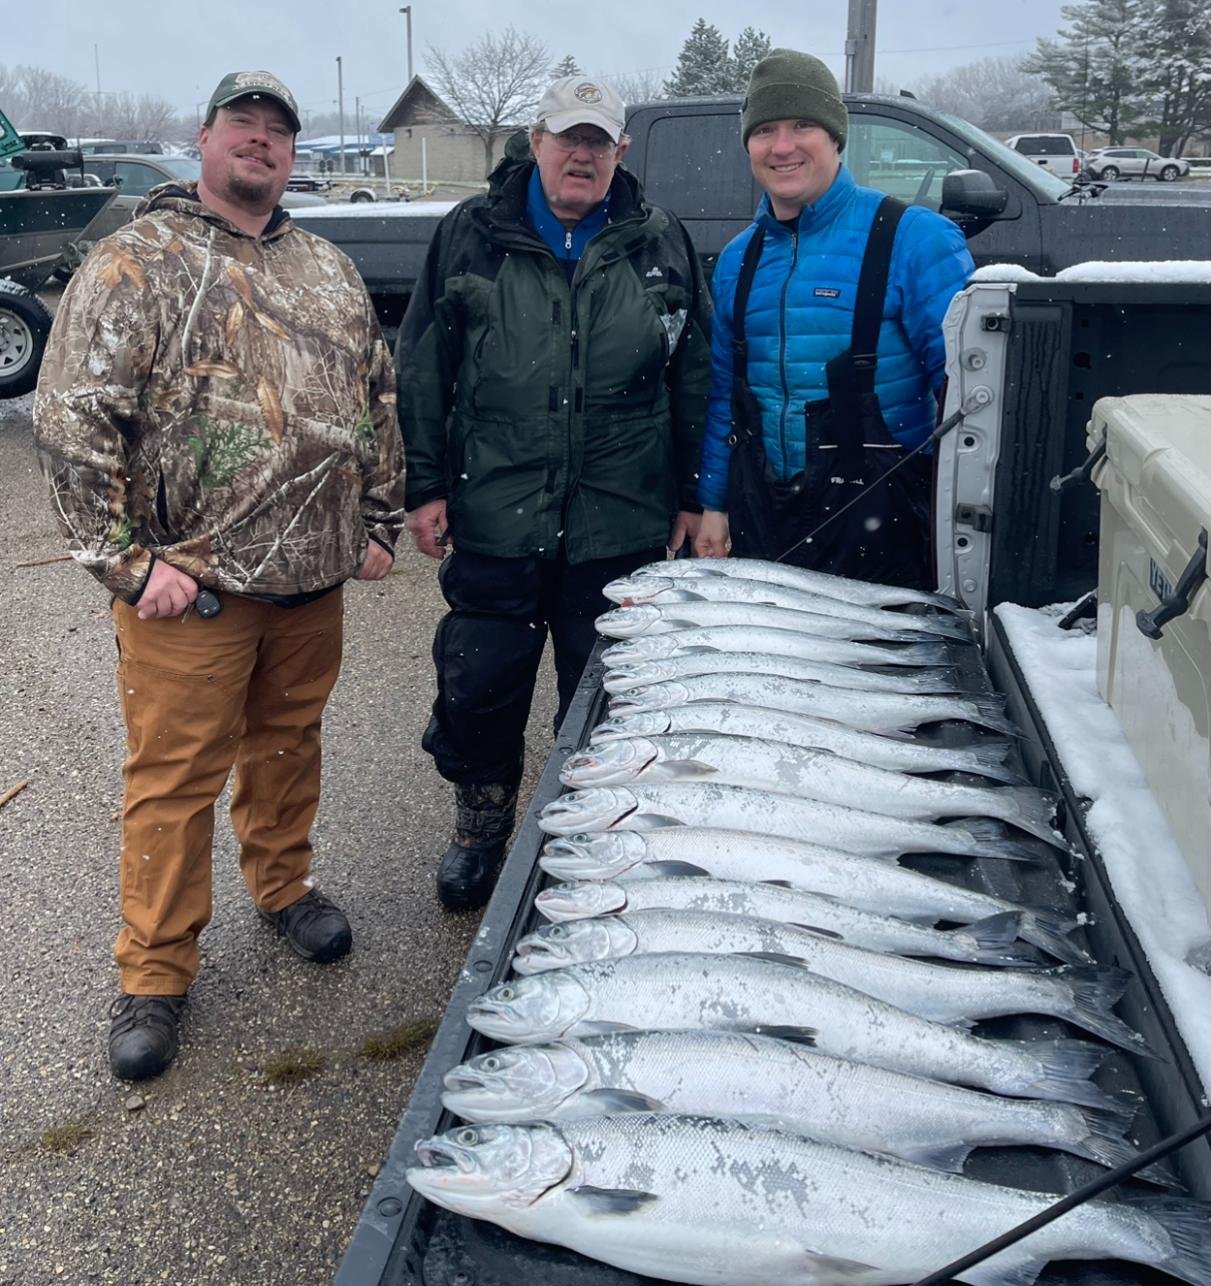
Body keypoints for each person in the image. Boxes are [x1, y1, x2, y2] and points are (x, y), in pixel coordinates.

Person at [33, 70, 404, 1081]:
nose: (261, 141)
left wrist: (379, 519)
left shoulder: (327, 266)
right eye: (242, 124)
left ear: (292, 154)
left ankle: (284, 892)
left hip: (311, 584)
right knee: (174, 782)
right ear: (203, 140)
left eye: (278, 131)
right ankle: (154, 972)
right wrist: (125, 563)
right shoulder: (136, 262)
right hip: (188, 592)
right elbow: (72, 422)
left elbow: (376, 392)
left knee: (288, 747)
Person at [398, 75, 712, 912]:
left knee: (603, 692)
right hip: (497, 505)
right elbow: (425, 367)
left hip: (621, 515)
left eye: (598, 141)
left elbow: (695, 376)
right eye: (567, 137)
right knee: (480, 682)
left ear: (621, 152)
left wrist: (690, 492)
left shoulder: (658, 240)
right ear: (534, 141)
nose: (582, 154)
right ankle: (482, 820)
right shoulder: (472, 235)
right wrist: (423, 484)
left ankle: (594, 828)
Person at [694, 50, 975, 587]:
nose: (783, 147)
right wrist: (713, 503)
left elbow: (970, 404)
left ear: (836, 137)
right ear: (748, 145)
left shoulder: (914, 238)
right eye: (766, 130)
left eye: (803, 125)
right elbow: (724, 398)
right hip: (766, 523)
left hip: (882, 529)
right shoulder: (737, 259)